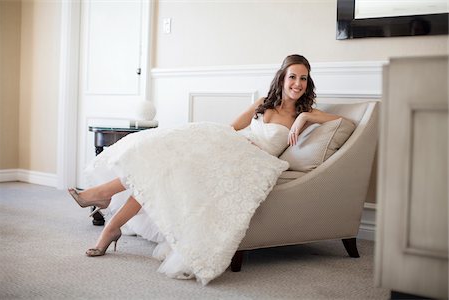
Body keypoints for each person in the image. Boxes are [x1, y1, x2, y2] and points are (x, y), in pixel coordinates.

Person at [68, 54, 341, 283]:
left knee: (162, 167)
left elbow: (340, 120)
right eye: (292, 76)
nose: (297, 83)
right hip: (232, 145)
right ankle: (110, 222)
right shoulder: (263, 104)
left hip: (252, 160)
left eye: (303, 78)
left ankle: (104, 205)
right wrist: (210, 142)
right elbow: (232, 128)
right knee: (161, 161)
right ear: (282, 78)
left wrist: (303, 117)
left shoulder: (304, 113)